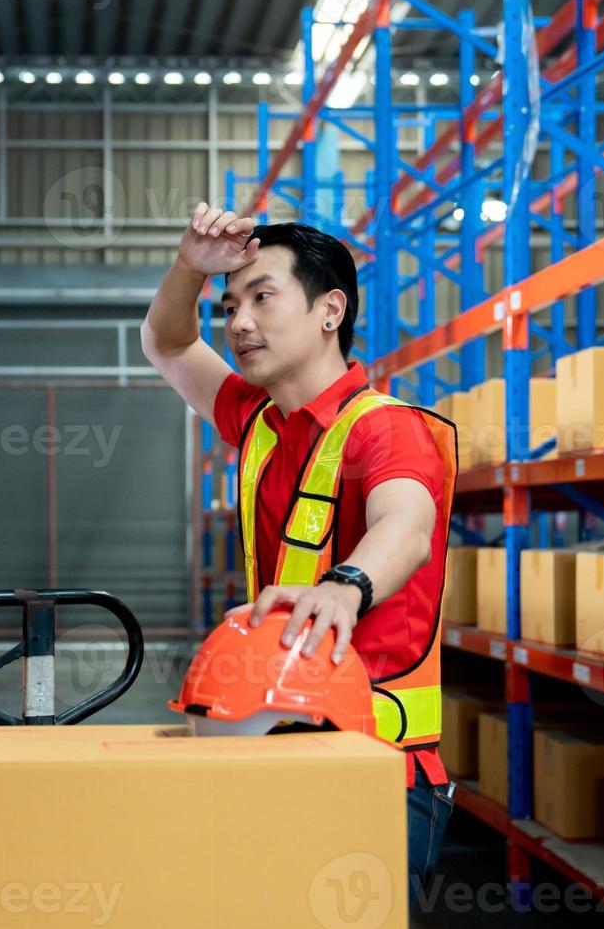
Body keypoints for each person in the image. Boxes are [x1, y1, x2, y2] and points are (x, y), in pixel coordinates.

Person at [140, 202, 458, 890]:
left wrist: (345, 586)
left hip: (376, 767)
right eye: (229, 306)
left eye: (262, 297)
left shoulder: (387, 430)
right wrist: (189, 267)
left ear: (330, 311)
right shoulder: (256, 420)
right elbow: (166, 343)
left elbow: (406, 526)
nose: (239, 323)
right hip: (270, 739)